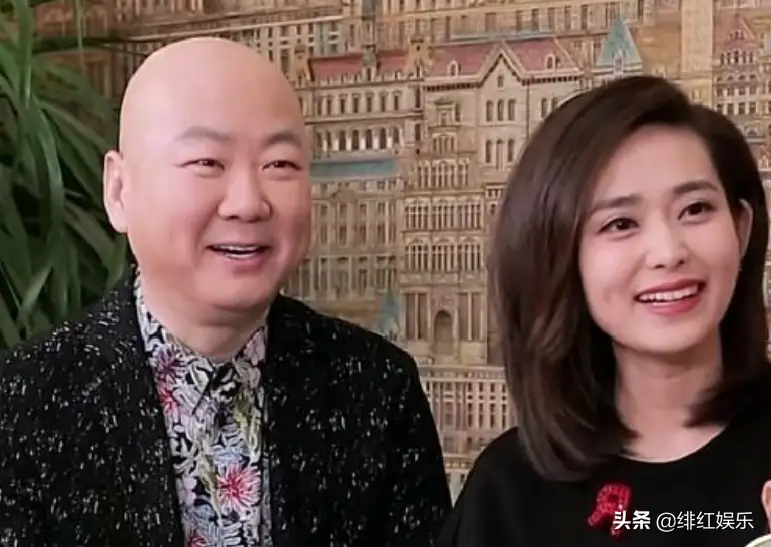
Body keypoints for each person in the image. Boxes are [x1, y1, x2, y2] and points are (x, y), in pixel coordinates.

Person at [0, 38, 451, 546]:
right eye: (207, 162)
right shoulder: (22, 405)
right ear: (119, 191)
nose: (248, 203)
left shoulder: (377, 388)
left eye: (279, 165)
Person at [437, 75, 771, 546]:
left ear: (741, 229)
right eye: (620, 223)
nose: (668, 251)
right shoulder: (509, 491)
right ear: (560, 258)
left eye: (695, 209)